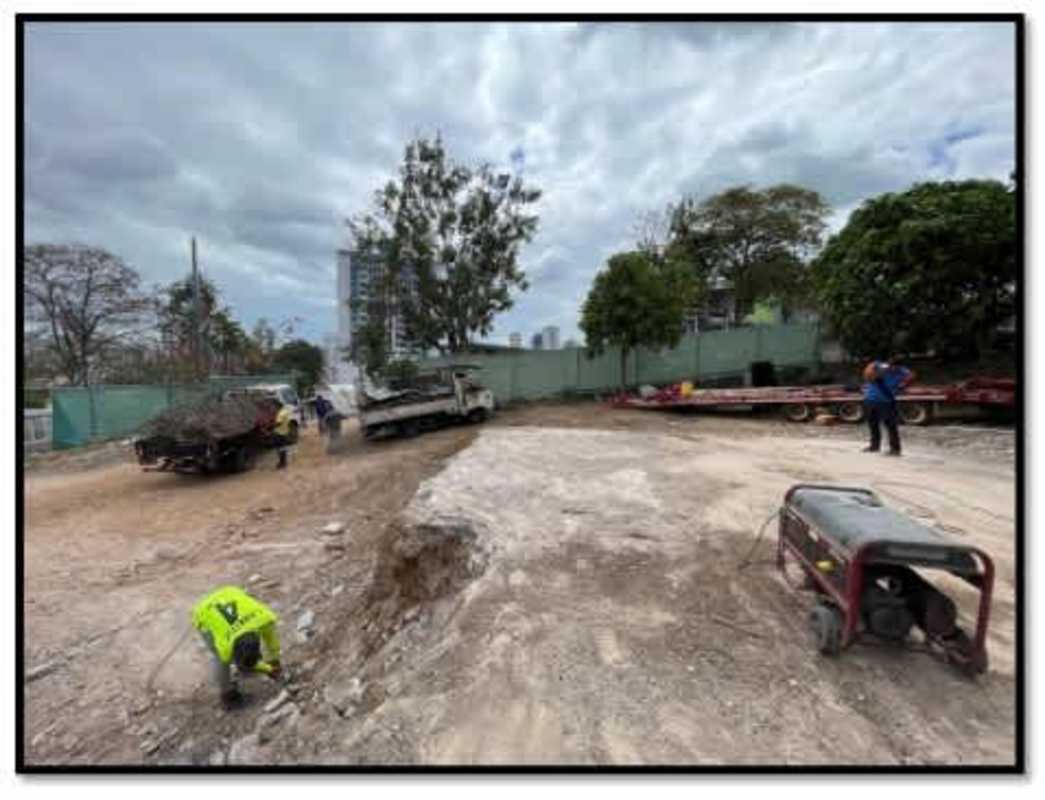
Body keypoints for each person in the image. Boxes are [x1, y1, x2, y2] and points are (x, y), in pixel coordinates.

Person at [192, 585, 282, 709]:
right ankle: (228, 695)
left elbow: (272, 643)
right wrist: (268, 669)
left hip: (230, 594)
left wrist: (274, 661)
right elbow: (224, 660)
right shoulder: (225, 646)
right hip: (204, 611)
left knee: (247, 659)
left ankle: (245, 665)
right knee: (221, 660)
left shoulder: (265, 618)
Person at [861, 356, 915, 456]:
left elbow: (911, 375)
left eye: (894, 366)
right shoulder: (880, 366)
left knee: (891, 426)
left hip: (887, 402)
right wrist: (874, 372)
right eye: (890, 365)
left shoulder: (902, 371)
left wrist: (903, 385)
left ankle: (895, 449)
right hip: (871, 399)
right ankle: (874, 446)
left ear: (899, 366)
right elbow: (868, 372)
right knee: (873, 425)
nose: (891, 368)